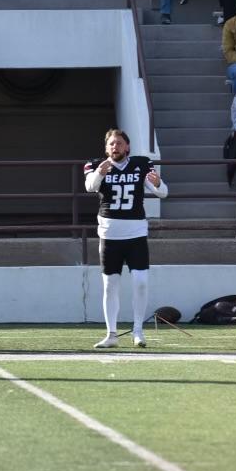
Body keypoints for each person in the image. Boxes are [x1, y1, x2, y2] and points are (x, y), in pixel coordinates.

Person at [84, 129, 168, 349]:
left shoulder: (141, 164)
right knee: (110, 285)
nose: (115, 147)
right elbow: (90, 187)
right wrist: (100, 173)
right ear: (106, 148)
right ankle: (111, 334)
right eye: (111, 144)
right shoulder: (96, 165)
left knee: (141, 282)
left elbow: (163, 193)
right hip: (109, 235)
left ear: (127, 147)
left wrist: (158, 183)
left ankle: (138, 331)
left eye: (119, 143)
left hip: (136, 234)